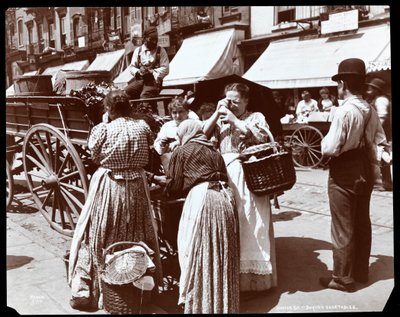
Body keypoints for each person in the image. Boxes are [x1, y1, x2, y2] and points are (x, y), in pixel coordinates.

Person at [68, 89, 162, 310]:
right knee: (139, 230)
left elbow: (93, 154)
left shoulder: (103, 129)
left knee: (102, 231)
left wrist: (106, 123)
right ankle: (139, 284)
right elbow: (150, 147)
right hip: (137, 186)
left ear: (109, 109)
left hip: (111, 184)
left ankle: (103, 290)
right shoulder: (143, 127)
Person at [320, 58, 388, 292]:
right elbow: (380, 140)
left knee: (342, 225)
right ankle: (360, 271)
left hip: (345, 169)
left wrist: (324, 141)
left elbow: (329, 148)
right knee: (362, 222)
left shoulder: (344, 111)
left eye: (339, 82)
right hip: (365, 170)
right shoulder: (369, 109)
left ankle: (341, 278)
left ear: (343, 84)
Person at [203, 82, 277, 293]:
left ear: (246, 101)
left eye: (236, 101)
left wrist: (235, 120)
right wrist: (217, 113)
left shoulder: (256, 117)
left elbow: (263, 137)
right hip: (226, 177)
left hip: (251, 176)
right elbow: (201, 136)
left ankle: (254, 282)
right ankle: (233, 277)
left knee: (252, 223)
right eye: (229, 101)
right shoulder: (221, 119)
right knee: (231, 223)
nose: (232, 105)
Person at [165, 120, 239, 313]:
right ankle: (223, 302)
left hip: (203, 200)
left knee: (196, 250)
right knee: (221, 251)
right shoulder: (215, 151)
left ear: (185, 134)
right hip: (224, 200)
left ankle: (202, 303)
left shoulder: (181, 152)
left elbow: (174, 185)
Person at [124, 26, 169, 100]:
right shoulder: (138, 51)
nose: (154, 41)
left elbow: (166, 69)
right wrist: (139, 71)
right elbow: (131, 67)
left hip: (153, 82)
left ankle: (145, 110)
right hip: (140, 81)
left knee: (145, 96)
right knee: (125, 93)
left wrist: (152, 71)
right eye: (151, 39)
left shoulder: (161, 51)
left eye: (156, 39)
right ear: (144, 39)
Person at [364, 77, 392, 191]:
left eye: (371, 88)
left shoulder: (381, 100)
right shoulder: (378, 99)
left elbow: (382, 117)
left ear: (377, 89)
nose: (369, 90)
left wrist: (373, 131)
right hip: (382, 133)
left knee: (383, 157)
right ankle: (384, 182)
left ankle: (385, 183)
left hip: (382, 133)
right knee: (381, 157)